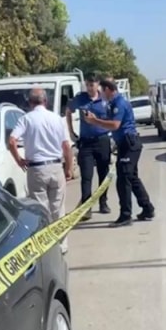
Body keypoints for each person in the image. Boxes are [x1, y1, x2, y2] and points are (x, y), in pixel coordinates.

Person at [8, 88, 74, 253]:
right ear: (46, 101)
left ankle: (46, 245)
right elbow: (66, 146)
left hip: (36, 169)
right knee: (58, 208)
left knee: (41, 209)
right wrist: (69, 168)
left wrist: (18, 160)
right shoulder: (56, 119)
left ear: (30, 103)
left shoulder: (26, 119)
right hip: (56, 166)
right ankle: (61, 245)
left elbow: (12, 141)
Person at [83, 79, 155, 227]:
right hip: (124, 144)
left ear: (108, 90)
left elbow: (115, 125)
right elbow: (111, 124)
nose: (101, 94)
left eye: (102, 91)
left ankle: (125, 215)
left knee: (123, 180)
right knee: (132, 178)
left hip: (130, 144)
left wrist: (95, 121)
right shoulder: (112, 104)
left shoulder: (119, 103)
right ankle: (147, 208)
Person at [66, 73, 111, 221]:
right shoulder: (81, 98)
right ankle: (86, 207)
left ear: (98, 85)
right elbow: (68, 111)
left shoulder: (104, 99)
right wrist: (71, 131)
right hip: (86, 143)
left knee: (103, 174)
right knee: (86, 176)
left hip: (102, 140)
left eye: (92, 85)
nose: (90, 88)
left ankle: (103, 202)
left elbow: (112, 116)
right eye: (87, 85)